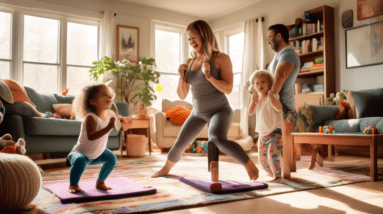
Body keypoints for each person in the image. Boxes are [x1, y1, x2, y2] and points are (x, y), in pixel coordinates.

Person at [152, 20, 259, 180]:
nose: (191, 41)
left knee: (216, 138)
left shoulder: (221, 58)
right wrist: (181, 77)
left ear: (204, 35)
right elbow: (182, 95)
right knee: (180, 143)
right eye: (189, 38)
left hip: (220, 110)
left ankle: (249, 164)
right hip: (198, 113)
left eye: (194, 37)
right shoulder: (190, 62)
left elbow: (228, 88)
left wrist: (209, 76)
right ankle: (165, 169)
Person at [267, 24, 321, 169]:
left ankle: (288, 171)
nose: (268, 41)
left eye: (270, 37)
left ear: (279, 36)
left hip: (283, 106)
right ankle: (315, 154)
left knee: (288, 146)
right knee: (289, 142)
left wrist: (270, 100)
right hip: (279, 104)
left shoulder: (288, 54)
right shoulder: (279, 55)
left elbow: (280, 77)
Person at [67, 83, 132, 193]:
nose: (110, 97)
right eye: (104, 95)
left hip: (98, 154)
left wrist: (124, 124)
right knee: (80, 160)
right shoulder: (91, 118)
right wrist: (108, 127)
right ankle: (73, 184)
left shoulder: (110, 113)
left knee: (112, 159)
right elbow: (91, 136)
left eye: (110, 95)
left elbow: (118, 125)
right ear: (93, 101)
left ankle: (100, 182)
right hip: (80, 153)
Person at [248, 70, 283, 179]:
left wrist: (272, 97)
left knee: (273, 155)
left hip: (275, 132)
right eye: (257, 83)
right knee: (262, 159)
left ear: (269, 84)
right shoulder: (257, 99)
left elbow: (278, 107)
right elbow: (250, 112)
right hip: (262, 134)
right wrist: (252, 102)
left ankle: (277, 175)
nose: (259, 85)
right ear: (253, 86)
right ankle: (270, 173)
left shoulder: (272, 96)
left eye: (263, 82)